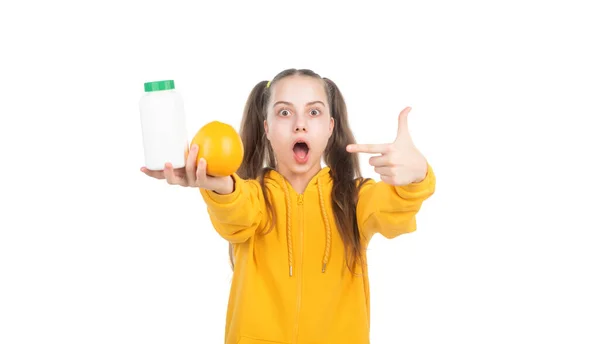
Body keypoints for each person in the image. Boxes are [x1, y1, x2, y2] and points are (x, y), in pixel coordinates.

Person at [141, 68, 436, 344]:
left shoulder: (355, 198)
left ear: (330, 127)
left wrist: (416, 177)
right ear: (267, 127)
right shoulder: (252, 195)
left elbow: (393, 212)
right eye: (285, 112)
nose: (300, 123)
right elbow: (237, 211)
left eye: (314, 111)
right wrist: (222, 186)